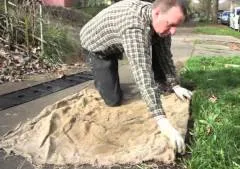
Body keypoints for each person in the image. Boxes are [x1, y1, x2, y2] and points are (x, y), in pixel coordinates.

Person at [80, 0, 192, 154]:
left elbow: (165, 56)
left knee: (163, 79)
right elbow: (142, 73)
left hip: (123, 35)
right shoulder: (134, 27)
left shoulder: (160, 23)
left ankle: (161, 85)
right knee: (113, 100)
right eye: (170, 24)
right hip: (96, 45)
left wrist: (175, 85)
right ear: (157, 13)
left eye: (176, 26)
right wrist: (163, 122)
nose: (173, 32)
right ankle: (103, 77)